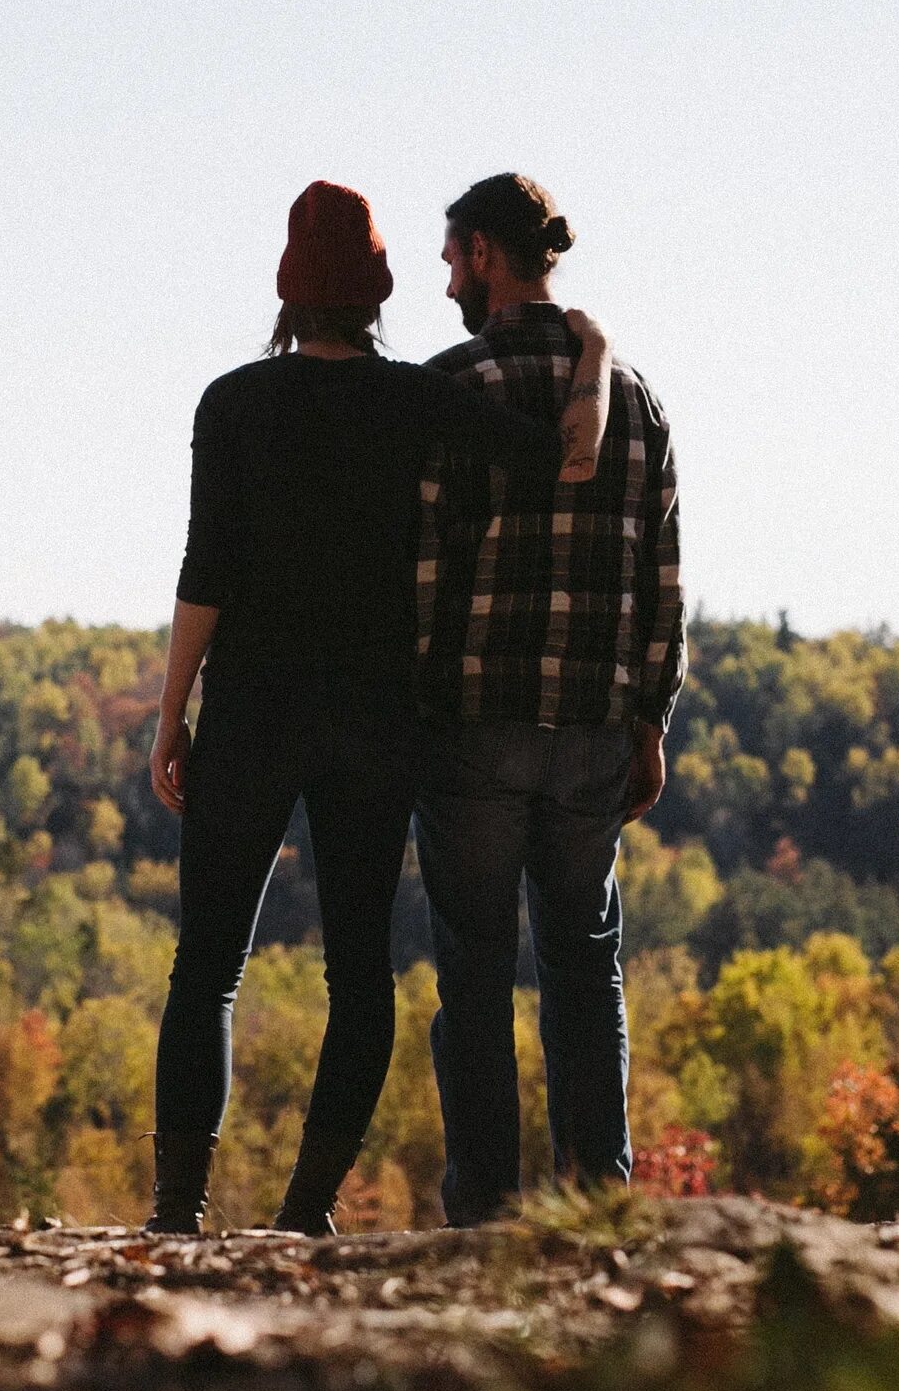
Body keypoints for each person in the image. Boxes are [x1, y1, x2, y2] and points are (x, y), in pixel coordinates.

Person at [144, 180, 612, 1236]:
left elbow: (204, 570)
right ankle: (305, 1208)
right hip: (374, 721)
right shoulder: (415, 400)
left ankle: (178, 1209)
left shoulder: (232, 403)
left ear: (287, 292)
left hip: (254, 711)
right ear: (378, 290)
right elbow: (571, 457)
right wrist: (594, 351)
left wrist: (172, 713)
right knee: (359, 972)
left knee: (207, 963)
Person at [413, 173, 683, 1226]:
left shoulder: (452, 386)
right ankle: (593, 1199)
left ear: (484, 252)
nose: (445, 280)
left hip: (475, 724)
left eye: (450, 260)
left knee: (473, 969)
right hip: (588, 728)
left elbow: (423, 573)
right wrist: (650, 716)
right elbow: (662, 576)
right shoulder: (637, 402)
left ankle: (484, 1204)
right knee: (584, 964)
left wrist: (418, 706)